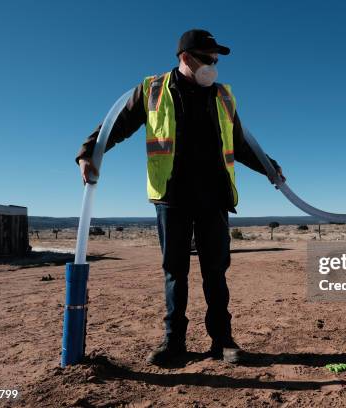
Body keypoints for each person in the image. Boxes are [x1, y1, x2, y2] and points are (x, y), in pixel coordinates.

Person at [75, 29, 284, 365]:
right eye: (207, 58)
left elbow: (242, 145)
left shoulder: (223, 97)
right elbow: (117, 124)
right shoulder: (153, 89)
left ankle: (223, 341)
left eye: (216, 60)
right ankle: (174, 344)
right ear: (186, 58)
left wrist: (270, 168)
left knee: (215, 271)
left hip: (214, 196)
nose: (213, 66)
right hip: (172, 196)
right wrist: (88, 152)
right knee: (175, 270)